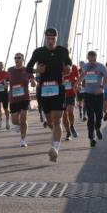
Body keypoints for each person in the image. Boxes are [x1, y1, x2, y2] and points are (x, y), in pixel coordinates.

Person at [27, 27, 72, 162]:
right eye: (48, 39)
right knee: (50, 121)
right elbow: (28, 68)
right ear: (45, 38)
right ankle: (54, 136)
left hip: (58, 90)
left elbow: (68, 65)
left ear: (56, 39)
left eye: (53, 39)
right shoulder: (38, 52)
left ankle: (55, 149)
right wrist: (37, 71)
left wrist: (67, 69)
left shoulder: (62, 51)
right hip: (43, 91)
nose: (50, 41)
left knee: (57, 120)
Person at [78, 51, 107, 147]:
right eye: (90, 60)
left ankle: (97, 128)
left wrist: (101, 88)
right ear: (87, 59)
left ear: (96, 58)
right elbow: (82, 76)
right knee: (90, 116)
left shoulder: (101, 66)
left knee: (99, 115)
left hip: (99, 95)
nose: (92, 62)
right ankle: (91, 137)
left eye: (94, 60)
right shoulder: (85, 66)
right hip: (88, 94)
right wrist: (77, 84)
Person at [7, 53, 34, 147]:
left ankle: (23, 140)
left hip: (25, 98)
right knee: (14, 121)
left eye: (18, 58)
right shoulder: (10, 70)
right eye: (15, 58)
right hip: (13, 99)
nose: (16, 59)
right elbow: (6, 80)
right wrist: (4, 83)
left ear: (23, 59)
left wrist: (33, 82)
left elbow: (33, 80)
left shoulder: (27, 70)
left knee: (23, 118)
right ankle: (19, 125)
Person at [62, 60, 79, 141]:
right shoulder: (59, 70)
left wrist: (78, 84)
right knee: (64, 115)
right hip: (61, 96)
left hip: (71, 94)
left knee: (70, 111)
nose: (67, 70)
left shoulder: (74, 67)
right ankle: (68, 133)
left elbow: (78, 78)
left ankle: (71, 126)